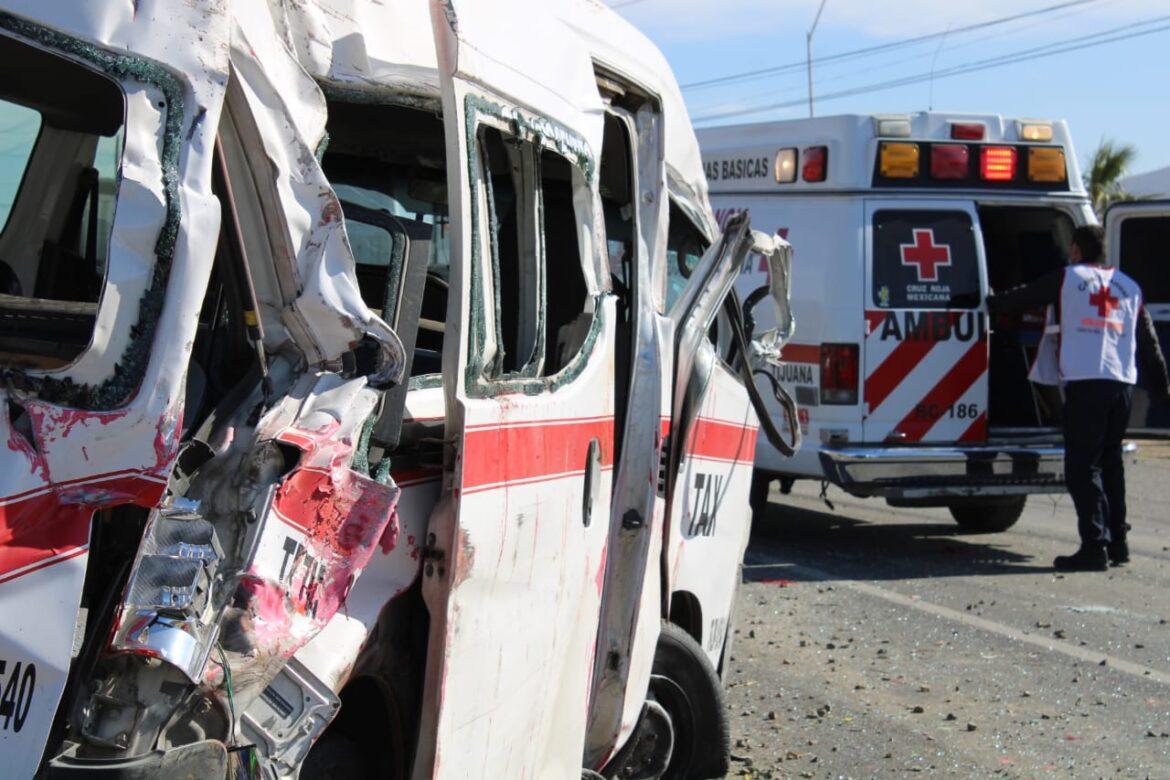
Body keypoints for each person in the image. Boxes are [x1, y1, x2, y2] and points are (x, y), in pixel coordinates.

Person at [986, 225, 1170, 572]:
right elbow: (1149, 342)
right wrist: (1162, 389)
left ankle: (1093, 545)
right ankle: (1118, 542)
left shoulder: (1068, 278)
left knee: (1082, 467)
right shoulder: (1130, 286)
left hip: (1087, 383)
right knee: (1110, 463)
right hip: (1122, 385)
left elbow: (1026, 295)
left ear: (1075, 250)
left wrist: (990, 301)